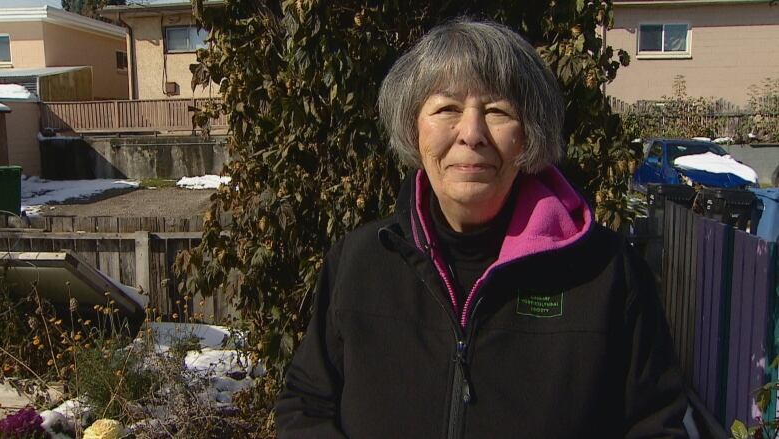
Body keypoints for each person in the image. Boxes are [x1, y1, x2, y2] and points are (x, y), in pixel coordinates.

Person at [276, 19, 689, 438]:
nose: (471, 134)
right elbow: (307, 402)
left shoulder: (606, 274)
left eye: (497, 111)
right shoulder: (359, 261)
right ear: (413, 128)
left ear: (527, 136)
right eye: (447, 109)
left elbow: (655, 423)